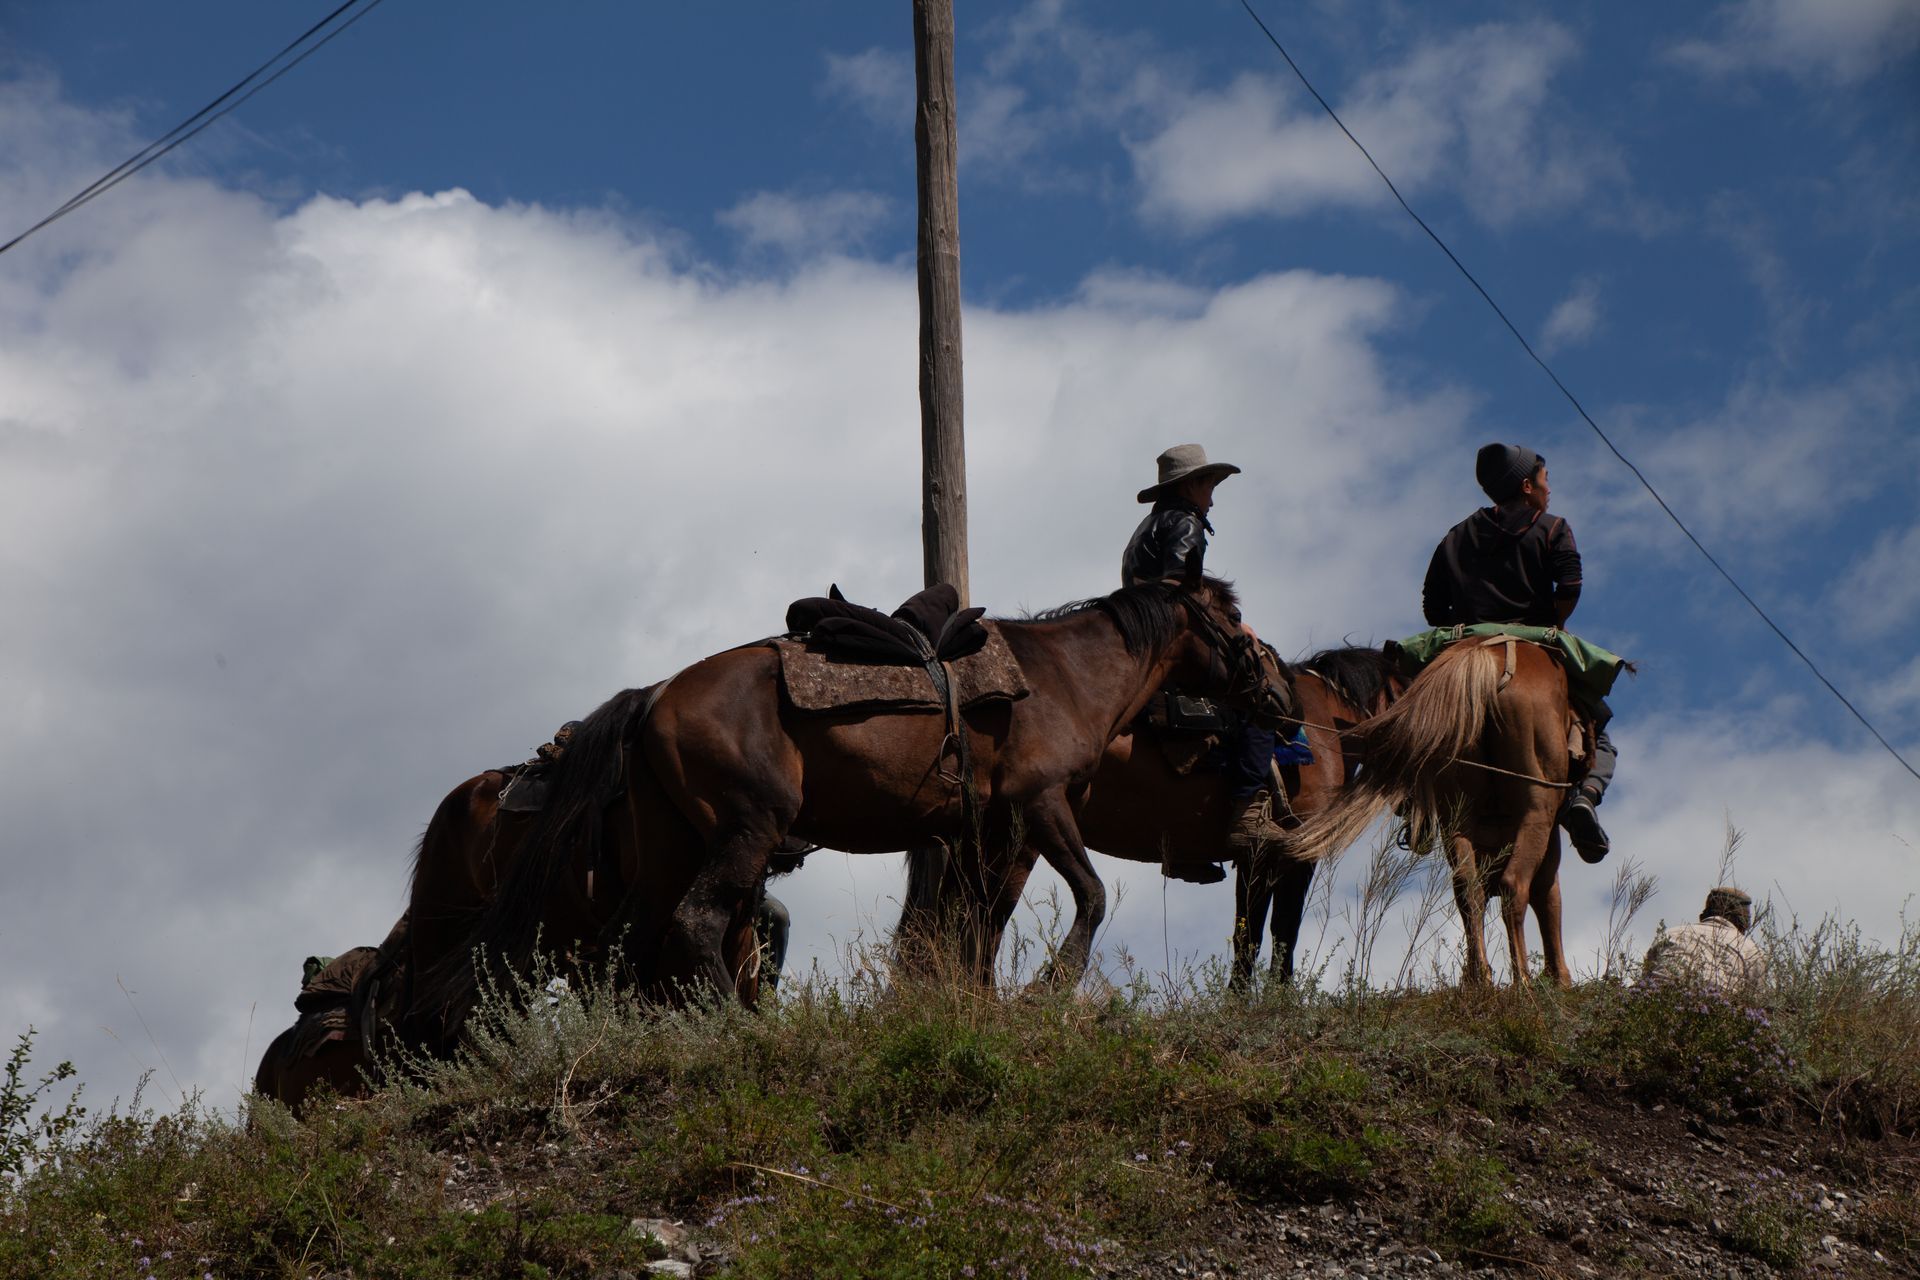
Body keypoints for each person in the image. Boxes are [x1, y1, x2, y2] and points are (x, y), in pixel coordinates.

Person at [1422, 443, 1615, 862]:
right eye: (1545, 481)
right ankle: (1583, 799)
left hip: (1463, 649)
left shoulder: (1455, 536)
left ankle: (1414, 807)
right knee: (1599, 727)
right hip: (1535, 643)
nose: (1550, 489)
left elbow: (1433, 609)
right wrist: (1556, 624)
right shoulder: (1551, 526)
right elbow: (1570, 585)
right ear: (1527, 487)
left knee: (1414, 721)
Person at [1123, 444, 1286, 873]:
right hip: (1170, 639)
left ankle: (1185, 842)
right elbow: (1174, 590)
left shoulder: (1148, 525)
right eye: (1210, 485)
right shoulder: (1186, 523)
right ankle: (1248, 814)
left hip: (1143, 640)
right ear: (1191, 485)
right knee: (1256, 701)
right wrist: (1233, 626)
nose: (1212, 496)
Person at [1640, 887, 1766, 992]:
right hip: (1713, 1012)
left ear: (1703, 916)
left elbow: (1645, 979)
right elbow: (1754, 1003)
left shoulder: (1671, 933)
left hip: (1657, 1004)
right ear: (1742, 924)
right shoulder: (1752, 950)